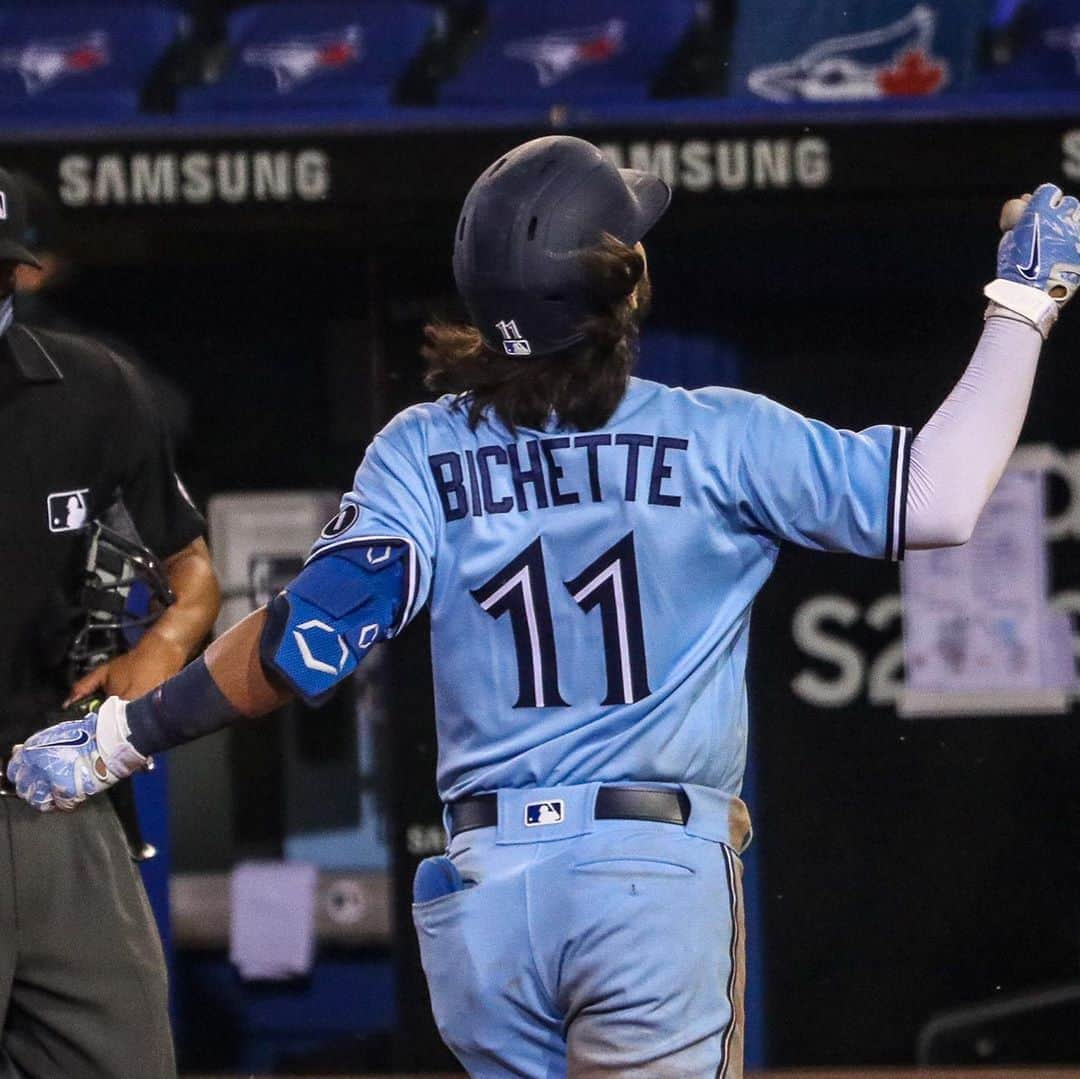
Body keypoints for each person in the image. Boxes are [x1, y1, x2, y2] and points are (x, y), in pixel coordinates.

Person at [8, 137, 1079, 1077]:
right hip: (648, 876)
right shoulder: (716, 433)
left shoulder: (424, 446)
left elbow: (310, 640)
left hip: (486, 898)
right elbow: (939, 500)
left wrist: (121, 736)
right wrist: (1022, 304)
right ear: (626, 290)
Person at [0, 166, 221, 1079]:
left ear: (22, 274)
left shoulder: (91, 393)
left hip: (58, 795)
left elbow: (192, 569)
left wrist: (162, 645)